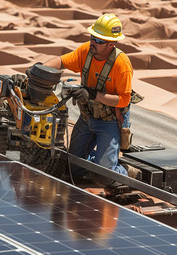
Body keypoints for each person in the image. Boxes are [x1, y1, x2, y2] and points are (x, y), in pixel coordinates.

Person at [41, 13, 140, 186]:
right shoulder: (86, 51)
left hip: (109, 122)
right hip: (87, 118)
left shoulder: (122, 65)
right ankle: (102, 161)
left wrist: (92, 95)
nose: (94, 42)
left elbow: (124, 100)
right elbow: (61, 61)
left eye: (99, 40)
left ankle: (126, 172)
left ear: (111, 44)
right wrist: (39, 69)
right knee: (74, 168)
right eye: (93, 37)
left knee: (105, 176)